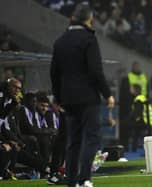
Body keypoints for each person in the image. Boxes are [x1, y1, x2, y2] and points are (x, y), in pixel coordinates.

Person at [50, 3, 115, 187]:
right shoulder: (88, 39)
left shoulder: (60, 41)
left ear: (72, 18)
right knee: (92, 138)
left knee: (73, 141)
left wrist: (57, 97)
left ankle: (71, 182)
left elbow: (54, 72)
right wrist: (107, 93)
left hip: (68, 99)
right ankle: (84, 179)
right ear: (89, 19)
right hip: (87, 97)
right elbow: (95, 70)